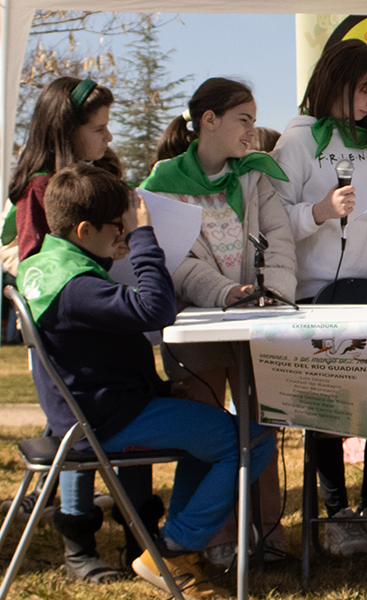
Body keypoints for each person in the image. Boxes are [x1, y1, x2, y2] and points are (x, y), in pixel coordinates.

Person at [17, 163, 275, 599]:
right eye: (117, 226)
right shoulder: (76, 286)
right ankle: (172, 550)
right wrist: (143, 237)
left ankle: (176, 547)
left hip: (100, 411)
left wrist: (157, 390)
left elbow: (91, 359)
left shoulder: (49, 265)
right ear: (83, 230)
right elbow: (155, 310)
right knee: (252, 441)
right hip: (107, 423)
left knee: (212, 436)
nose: (123, 233)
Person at [269, 39, 367, 557]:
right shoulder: (295, 142)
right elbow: (273, 224)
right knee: (330, 404)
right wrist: (317, 211)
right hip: (319, 294)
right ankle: (336, 513)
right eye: (364, 89)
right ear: (334, 79)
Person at [6, 76, 160, 582]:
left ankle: (141, 537)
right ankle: (79, 545)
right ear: (67, 133)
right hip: (72, 333)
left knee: (130, 418)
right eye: (99, 128)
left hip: (111, 321)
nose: (108, 138)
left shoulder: (98, 174)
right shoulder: (39, 189)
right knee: (75, 437)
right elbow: (36, 262)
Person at [142, 77, 296, 567]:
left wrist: (273, 293)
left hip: (258, 321)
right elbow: (175, 260)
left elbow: (280, 238)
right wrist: (225, 292)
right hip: (199, 326)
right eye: (243, 120)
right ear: (209, 121)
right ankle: (214, 538)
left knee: (262, 423)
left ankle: (268, 531)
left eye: (253, 120)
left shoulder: (255, 174)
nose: (251, 132)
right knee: (210, 432)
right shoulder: (162, 182)